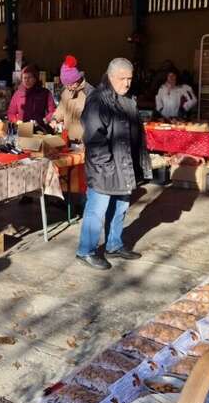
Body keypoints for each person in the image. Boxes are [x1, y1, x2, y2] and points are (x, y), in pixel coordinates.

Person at [76, 58, 152, 271]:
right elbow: (94, 136)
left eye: (130, 79)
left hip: (125, 166)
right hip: (105, 168)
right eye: (122, 79)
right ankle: (85, 250)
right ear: (110, 77)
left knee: (120, 208)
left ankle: (114, 245)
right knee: (97, 211)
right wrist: (106, 165)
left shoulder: (128, 101)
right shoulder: (97, 101)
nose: (127, 83)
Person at [50, 55, 93, 142]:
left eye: (70, 84)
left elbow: (94, 121)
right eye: (65, 85)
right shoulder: (66, 91)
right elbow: (61, 109)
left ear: (77, 79)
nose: (68, 87)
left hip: (83, 141)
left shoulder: (90, 93)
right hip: (67, 139)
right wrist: (54, 119)